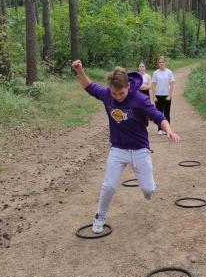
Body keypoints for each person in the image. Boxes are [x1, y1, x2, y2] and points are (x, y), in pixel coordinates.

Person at [72, 59, 180, 233]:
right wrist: (79, 71)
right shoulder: (107, 94)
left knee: (148, 190)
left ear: (128, 86)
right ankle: (99, 217)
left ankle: (149, 188)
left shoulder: (139, 99)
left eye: (121, 93)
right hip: (118, 149)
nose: (117, 97)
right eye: (114, 93)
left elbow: (158, 116)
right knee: (109, 186)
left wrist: (169, 130)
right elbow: (89, 87)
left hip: (140, 149)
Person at [151, 56, 175, 135]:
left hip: (167, 95)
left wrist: (170, 95)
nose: (161, 63)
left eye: (162, 62)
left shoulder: (169, 72)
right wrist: (154, 96)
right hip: (158, 95)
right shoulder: (155, 73)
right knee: (159, 113)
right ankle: (160, 129)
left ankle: (167, 130)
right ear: (158, 63)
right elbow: (153, 85)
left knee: (167, 113)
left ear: (165, 63)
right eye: (160, 62)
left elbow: (172, 84)